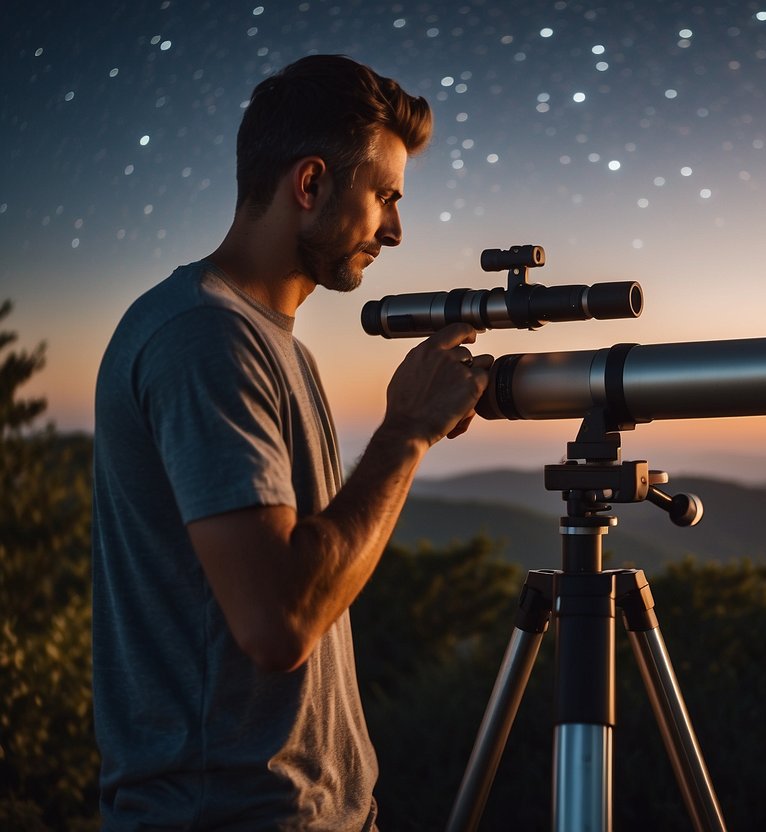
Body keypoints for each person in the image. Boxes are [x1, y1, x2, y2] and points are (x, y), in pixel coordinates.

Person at [91, 55, 490, 830]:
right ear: (309, 185)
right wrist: (406, 432)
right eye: (384, 197)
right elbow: (278, 623)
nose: (396, 230)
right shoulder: (203, 339)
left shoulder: (271, 344)